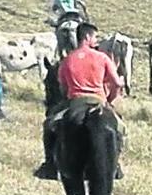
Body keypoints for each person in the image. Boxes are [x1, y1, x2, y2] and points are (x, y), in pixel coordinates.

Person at [34, 22, 126, 180]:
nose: (96, 40)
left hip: (74, 101)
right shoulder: (102, 57)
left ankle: (49, 165)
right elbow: (117, 84)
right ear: (88, 37)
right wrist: (109, 99)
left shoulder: (67, 60)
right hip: (99, 101)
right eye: (95, 36)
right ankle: (115, 164)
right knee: (120, 128)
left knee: (49, 125)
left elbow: (63, 88)